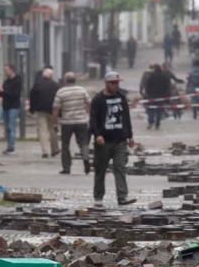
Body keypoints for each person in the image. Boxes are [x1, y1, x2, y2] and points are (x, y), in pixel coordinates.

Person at [89, 71, 136, 206]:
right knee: (100, 170)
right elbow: (93, 120)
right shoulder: (98, 99)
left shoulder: (121, 97)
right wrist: (97, 135)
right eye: (113, 83)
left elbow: (126, 117)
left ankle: (122, 197)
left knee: (120, 168)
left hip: (120, 141)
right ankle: (98, 197)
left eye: (117, 83)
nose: (116, 86)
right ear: (106, 83)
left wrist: (130, 136)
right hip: (104, 142)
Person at [53, 72, 91, 175]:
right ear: (75, 80)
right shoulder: (82, 90)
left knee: (65, 145)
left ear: (65, 80)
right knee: (83, 142)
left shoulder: (61, 92)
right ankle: (86, 159)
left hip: (67, 122)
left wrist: (55, 123)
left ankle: (66, 168)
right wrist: (88, 115)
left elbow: (56, 109)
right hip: (81, 121)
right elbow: (89, 103)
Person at [29, 68, 60, 158]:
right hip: (52, 111)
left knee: (42, 130)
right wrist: (60, 113)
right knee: (52, 129)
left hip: (41, 110)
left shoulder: (37, 85)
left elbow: (32, 97)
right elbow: (59, 99)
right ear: (51, 76)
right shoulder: (56, 85)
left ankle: (45, 151)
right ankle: (55, 149)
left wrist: (32, 108)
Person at [0, 64, 22, 154]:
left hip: (13, 106)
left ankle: (11, 147)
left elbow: (15, 94)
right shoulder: (6, 81)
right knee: (7, 127)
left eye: (6, 70)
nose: (5, 72)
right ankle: (9, 146)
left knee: (11, 127)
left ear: (11, 70)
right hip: (5, 106)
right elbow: (2, 95)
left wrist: (3, 91)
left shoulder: (17, 81)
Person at [143, 64, 171, 130]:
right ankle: (157, 124)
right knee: (159, 110)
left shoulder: (151, 76)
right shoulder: (164, 77)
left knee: (150, 109)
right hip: (161, 97)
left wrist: (147, 94)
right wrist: (166, 96)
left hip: (151, 96)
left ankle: (151, 122)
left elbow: (147, 86)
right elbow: (168, 87)